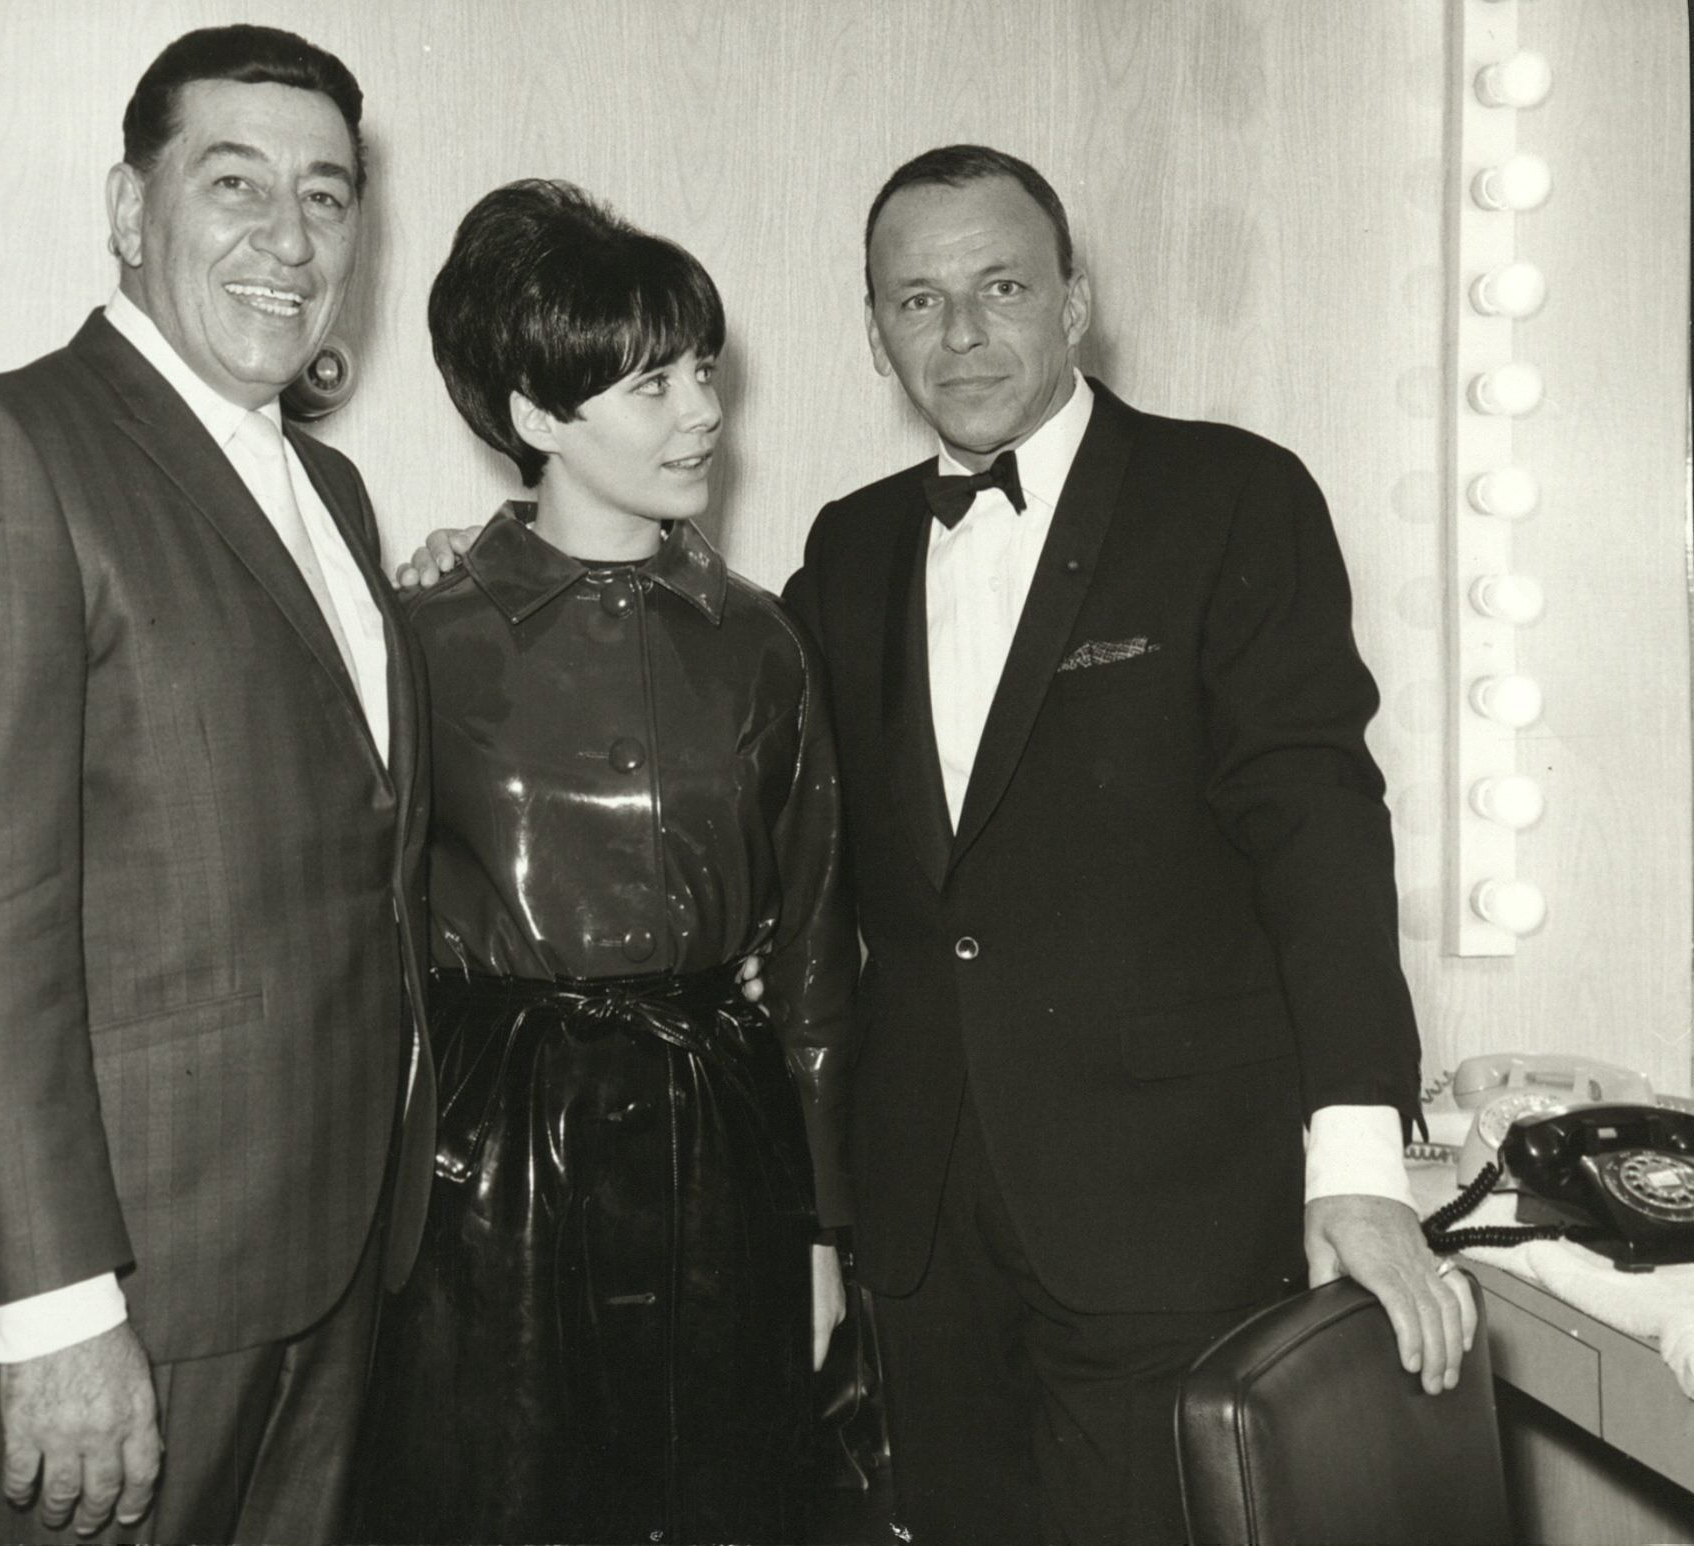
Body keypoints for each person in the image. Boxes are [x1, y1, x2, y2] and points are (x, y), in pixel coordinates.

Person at [401, 143, 1479, 1546]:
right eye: (916, 300)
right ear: (871, 331)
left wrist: (1356, 1171)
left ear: (1076, 300)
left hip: (1161, 1219)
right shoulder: (835, 564)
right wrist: (454, 576)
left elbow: (1319, 827)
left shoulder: (1227, 497)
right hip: (918, 1239)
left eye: (1001, 285)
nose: (959, 332)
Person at [0, 26, 436, 1544]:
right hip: (126, 1298)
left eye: (327, 196)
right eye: (234, 185)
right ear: (126, 208)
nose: (288, 240)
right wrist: (48, 1310)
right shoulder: (0, 450)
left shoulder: (331, 492)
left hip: (333, 1259)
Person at [351, 179, 854, 1546]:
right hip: (487, 1179)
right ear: (534, 417)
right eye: (650, 386)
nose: (702, 412)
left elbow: (811, 949)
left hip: (723, 1159)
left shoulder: (763, 643)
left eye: (703, 371)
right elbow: (364, 931)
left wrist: (820, 1230)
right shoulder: (415, 635)